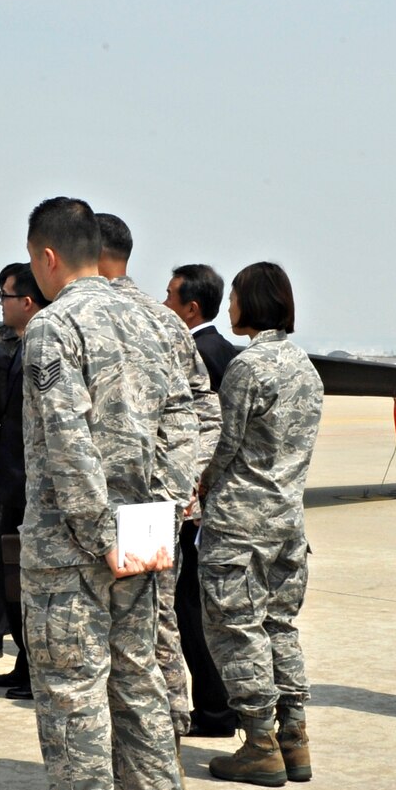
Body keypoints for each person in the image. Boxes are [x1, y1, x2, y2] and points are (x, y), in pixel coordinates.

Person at [12, 197, 187, 790]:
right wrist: (161, 515)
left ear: (48, 258)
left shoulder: (54, 326)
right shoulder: (154, 318)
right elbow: (187, 418)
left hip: (72, 547)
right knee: (139, 676)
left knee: (73, 690)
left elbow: (68, 442)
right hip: (144, 531)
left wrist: (96, 535)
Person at [95, 214, 215, 790]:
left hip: (97, 518)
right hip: (152, 513)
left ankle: (129, 779)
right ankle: (162, 768)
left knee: (110, 648)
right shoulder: (167, 322)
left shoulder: (74, 319)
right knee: (154, 633)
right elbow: (203, 410)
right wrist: (178, 492)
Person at [197, 262, 324, 787]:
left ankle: (258, 742)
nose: (229, 308)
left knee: (236, 629)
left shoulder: (250, 367)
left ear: (253, 302)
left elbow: (225, 444)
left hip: (240, 522)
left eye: (234, 298)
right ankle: (294, 737)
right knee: (279, 626)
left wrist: (201, 482)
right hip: (288, 521)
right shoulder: (305, 367)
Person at [164, 262, 241, 736]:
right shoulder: (224, 351)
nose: (165, 305)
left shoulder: (198, 355)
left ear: (191, 308)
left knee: (190, 615)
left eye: (171, 297)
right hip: (211, 505)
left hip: (196, 509)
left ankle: (214, 711)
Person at [0, 262, 40, 690]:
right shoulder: (17, 344)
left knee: (27, 578)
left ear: (25, 301)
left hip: (29, 486)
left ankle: (35, 666)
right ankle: (25, 661)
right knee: (12, 578)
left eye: (4, 296)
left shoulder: (40, 345)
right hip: (11, 481)